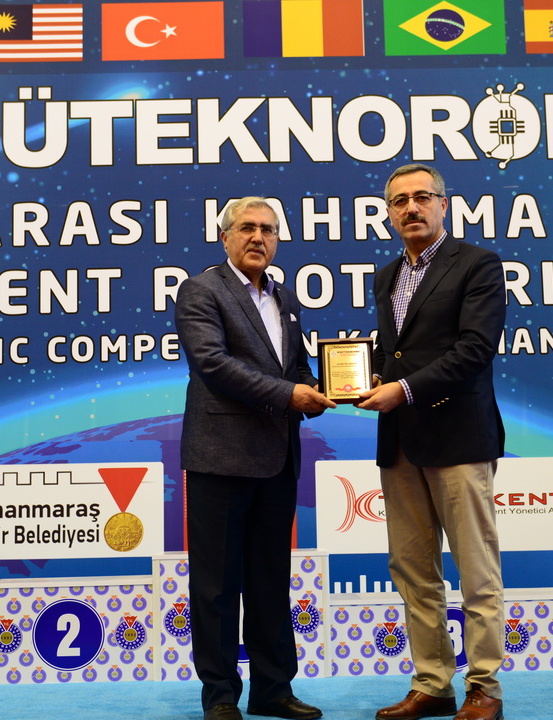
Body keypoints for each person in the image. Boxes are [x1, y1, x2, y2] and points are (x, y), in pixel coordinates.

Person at [356, 164, 507, 720]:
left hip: (458, 437)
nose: (411, 208)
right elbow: (396, 352)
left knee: (476, 570)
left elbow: (475, 349)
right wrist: (369, 377)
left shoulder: (477, 264)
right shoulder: (387, 275)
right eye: (399, 201)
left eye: (422, 197)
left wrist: (401, 389)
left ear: (444, 204)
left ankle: (484, 687)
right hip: (400, 442)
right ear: (389, 214)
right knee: (413, 571)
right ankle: (433, 683)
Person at [176, 196, 336, 720]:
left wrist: (328, 388)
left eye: (268, 229)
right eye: (247, 227)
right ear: (225, 237)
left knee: (270, 583)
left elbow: (295, 366)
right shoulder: (201, 290)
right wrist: (291, 396)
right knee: (217, 587)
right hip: (219, 459)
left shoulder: (285, 297)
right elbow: (213, 363)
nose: (258, 238)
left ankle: (273, 689)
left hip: (277, 459)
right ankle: (221, 695)